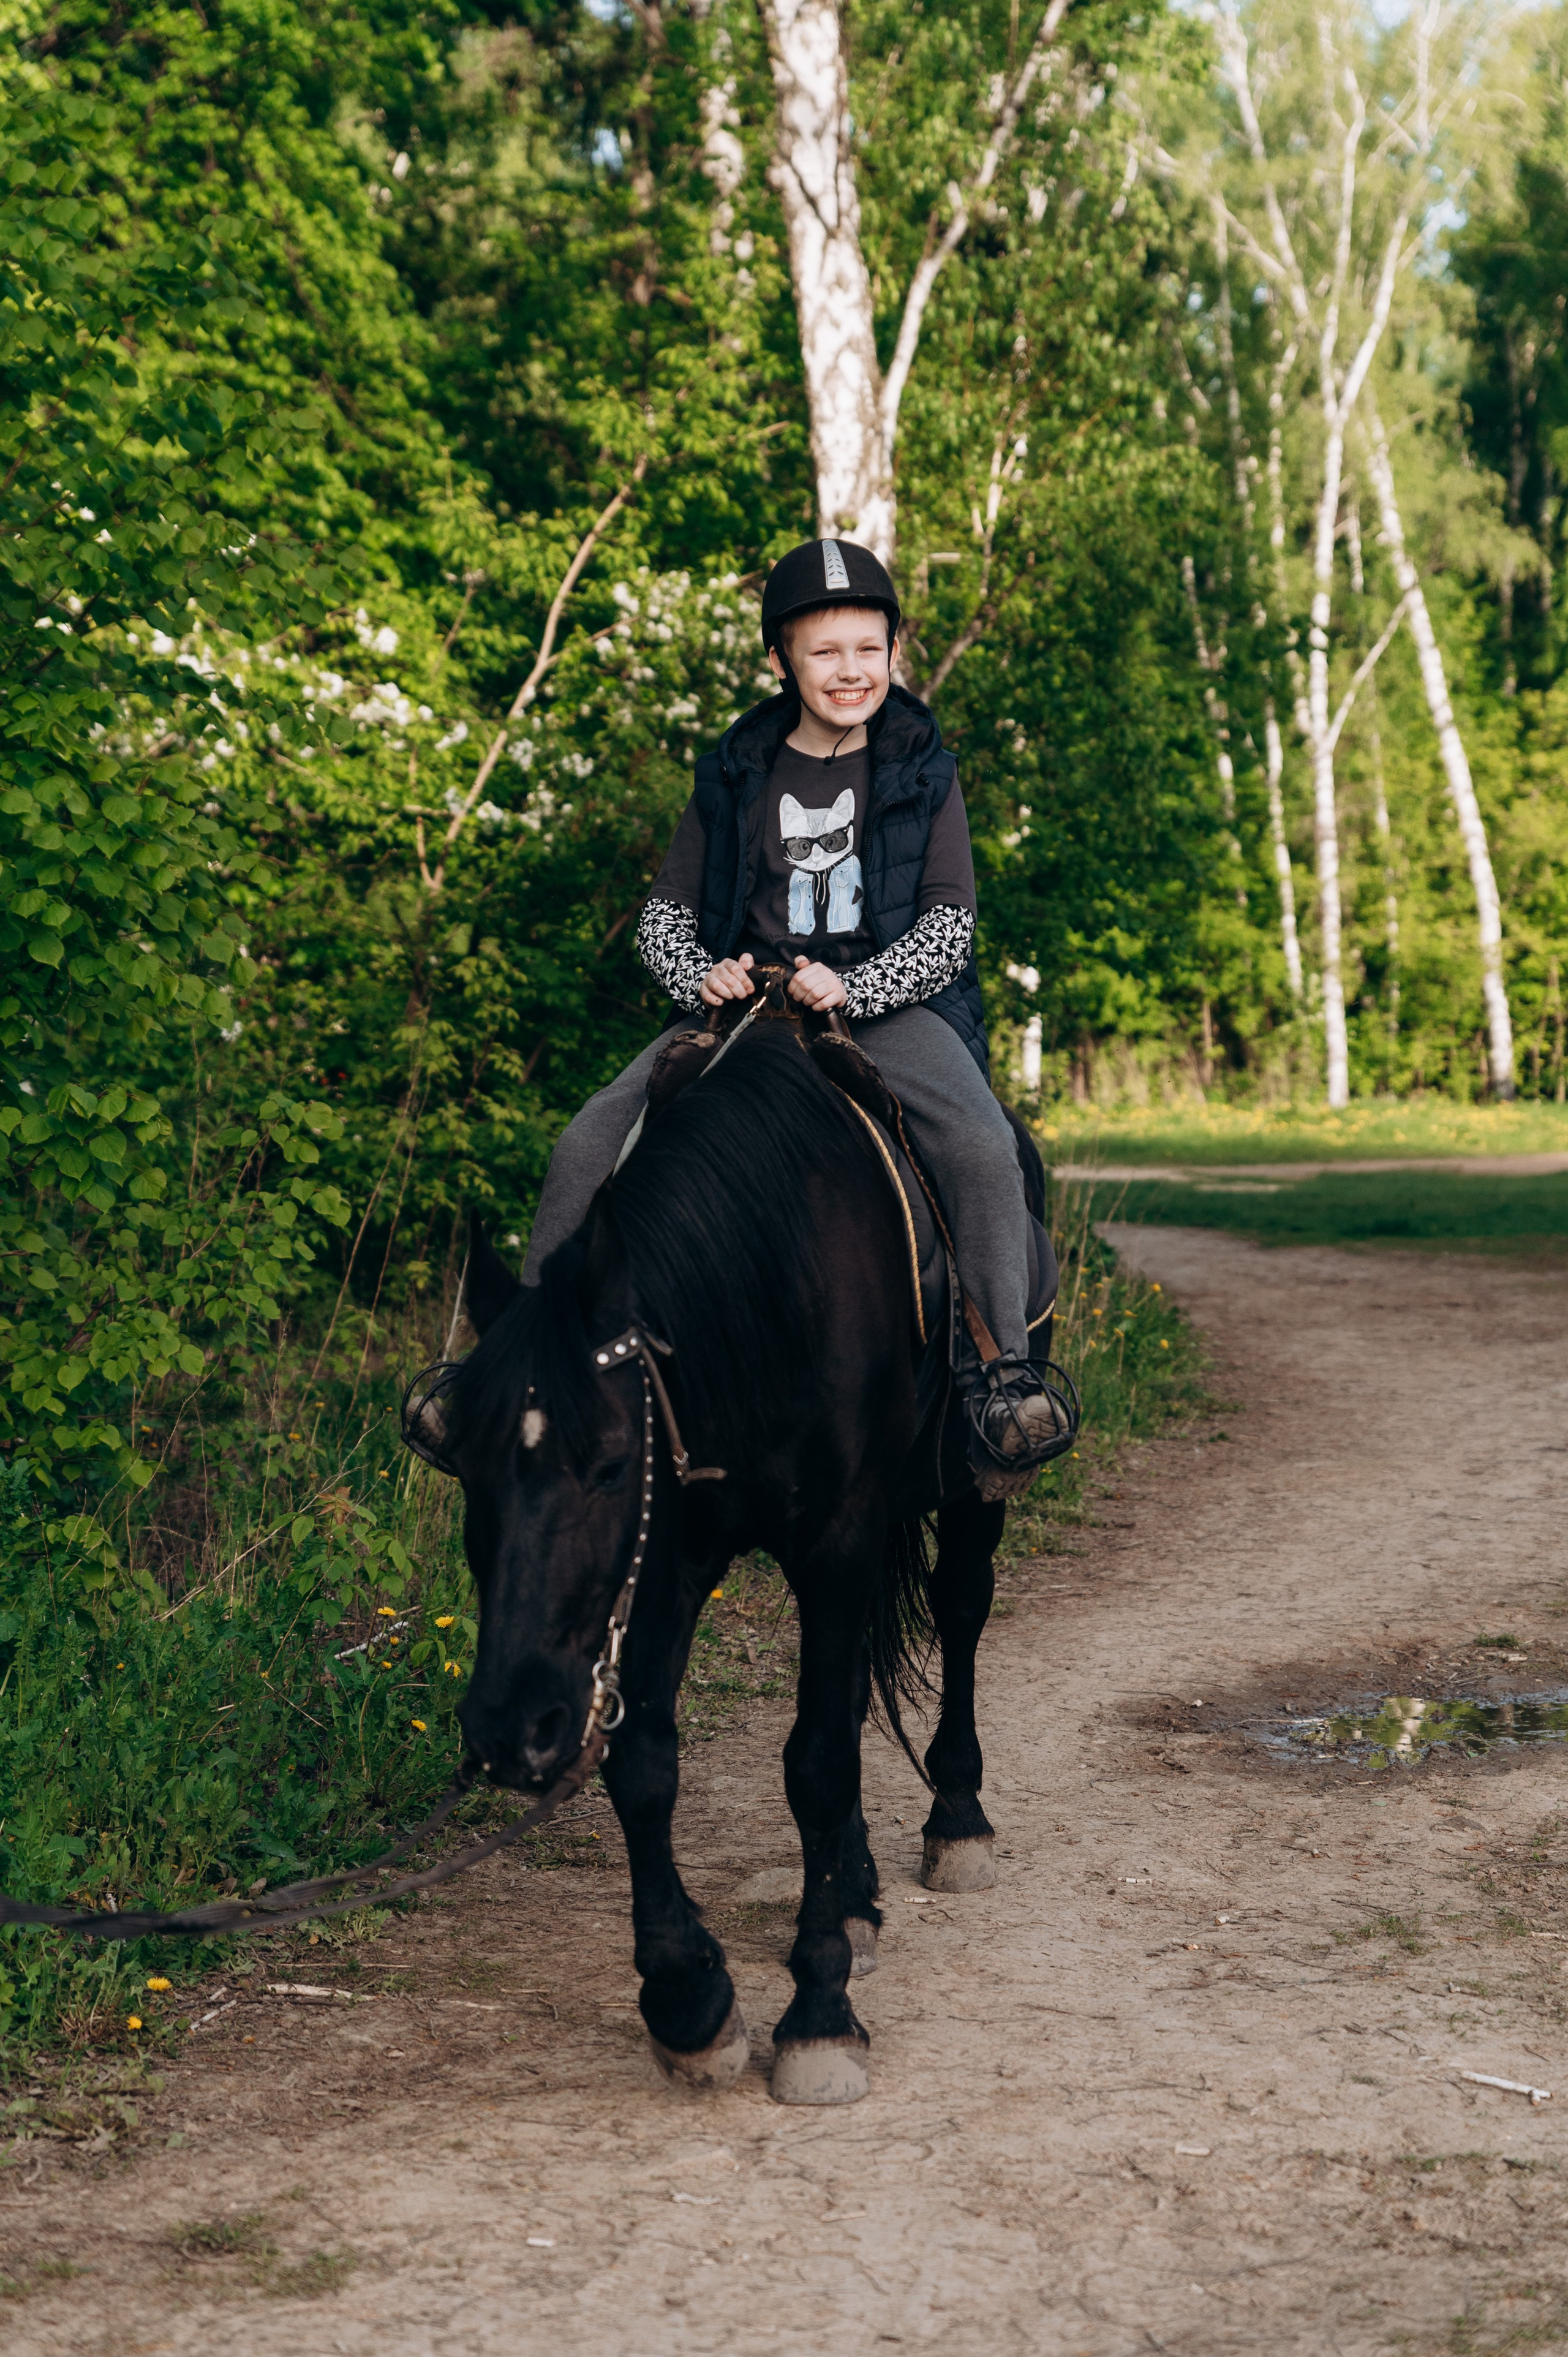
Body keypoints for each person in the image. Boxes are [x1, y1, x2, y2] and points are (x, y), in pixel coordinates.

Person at [522, 537, 1062, 1480]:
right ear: (780, 661)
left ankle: (1000, 1374)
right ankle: (533, 1363)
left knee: (981, 1148)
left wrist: (858, 986)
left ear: (895, 651)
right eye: (824, 652)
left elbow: (947, 930)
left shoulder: (925, 771)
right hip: (750, 1011)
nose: (849, 671)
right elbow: (663, 918)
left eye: (868, 648)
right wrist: (702, 973)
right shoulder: (734, 772)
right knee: (584, 1145)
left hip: (888, 1008)